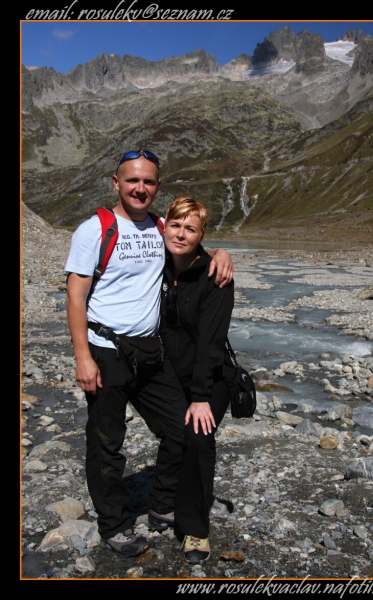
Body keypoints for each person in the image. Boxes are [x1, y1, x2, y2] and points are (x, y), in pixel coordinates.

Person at [65, 150, 233, 557]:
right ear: (116, 183)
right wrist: (83, 357)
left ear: (157, 187)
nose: (140, 188)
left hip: (150, 351)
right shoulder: (95, 230)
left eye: (148, 182)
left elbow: (189, 244)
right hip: (106, 351)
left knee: (181, 431)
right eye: (132, 180)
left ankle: (161, 504)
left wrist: (222, 255)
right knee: (106, 443)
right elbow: (75, 296)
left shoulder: (159, 226)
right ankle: (115, 524)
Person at [160, 196, 234, 564]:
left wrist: (201, 396)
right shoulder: (154, 264)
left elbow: (210, 342)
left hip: (210, 376)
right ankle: (162, 499)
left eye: (190, 229)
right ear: (164, 226)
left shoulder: (215, 276)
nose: (181, 234)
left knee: (198, 436)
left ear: (201, 234)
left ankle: (194, 527)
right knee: (174, 431)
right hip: (168, 372)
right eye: (175, 225)